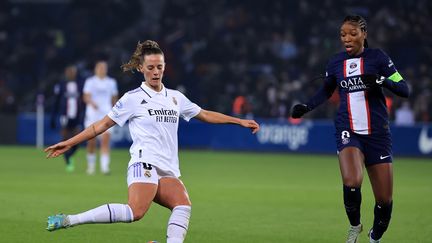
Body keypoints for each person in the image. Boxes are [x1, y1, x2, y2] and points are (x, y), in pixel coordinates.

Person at [45, 40, 260, 243]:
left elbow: (203, 114)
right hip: (144, 162)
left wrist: (238, 121)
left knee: (183, 205)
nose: (156, 72)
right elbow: (100, 125)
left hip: (167, 167)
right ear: (141, 68)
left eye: (159, 66)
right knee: (135, 212)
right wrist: (70, 142)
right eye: (151, 67)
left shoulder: (175, 97)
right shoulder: (132, 98)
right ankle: (70, 220)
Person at [291, 15, 409, 243]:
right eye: (343, 35)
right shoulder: (336, 62)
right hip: (348, 130)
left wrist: (382, 80)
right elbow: (326, 91)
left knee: (384, 201)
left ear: (364, 33)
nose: (347, 38)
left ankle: (375, 236)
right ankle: (355, 226)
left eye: (352, 34)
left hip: (378, 134)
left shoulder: (379, 58)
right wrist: (306, 107)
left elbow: (404, 89)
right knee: (352, 181)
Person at [83, 60, 118, 175]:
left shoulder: (111, 82)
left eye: (104, 67)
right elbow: (86, 97)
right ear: (96, 69)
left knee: (105, 140)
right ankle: (91, 166)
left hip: (106, 114)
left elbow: (114, 99)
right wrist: (92, 103)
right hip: (92, 114)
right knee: (91, 141)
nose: (102, 69)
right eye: (100, 67)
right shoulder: (90, 82)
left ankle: (105, 167)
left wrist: (116, 112)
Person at [50, 65, 84, 172]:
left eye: (72, 72)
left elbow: (83, 101)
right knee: (65, 139)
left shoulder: (80, 85)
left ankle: (70, 155)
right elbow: (55, 102)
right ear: (66, 73)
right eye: (69, 72)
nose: (70, 74)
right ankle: (68, 160)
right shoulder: (61, 85)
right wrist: (53, 117)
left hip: (77, 117)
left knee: (78, 141)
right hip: (65, 116)